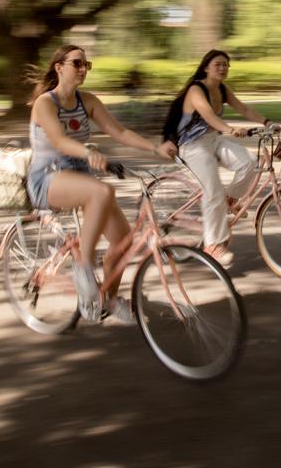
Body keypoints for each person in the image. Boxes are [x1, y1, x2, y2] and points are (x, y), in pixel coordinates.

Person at [26, 44, 177, 323]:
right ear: (59, 67)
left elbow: (119, 131)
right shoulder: (45, 103)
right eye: (77, 63)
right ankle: (83, 268)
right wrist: (90, 153)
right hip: (47, 177)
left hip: (80, 178)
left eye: (86, 64)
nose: (83, 69)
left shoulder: (88, 101)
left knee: (123, 242)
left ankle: (108, 299)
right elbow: (59, 141)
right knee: (102, 190)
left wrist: (155, 148)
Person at [162, 49, 273, 268]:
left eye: (226, 65)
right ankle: (212, 245)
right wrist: (231, 129)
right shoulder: (196, 89)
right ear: (206, 67)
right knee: (212, 191)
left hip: (213, 140)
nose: (223, 68)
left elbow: (243, 108)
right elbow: (208, 115)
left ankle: (229, 200)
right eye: (218, 64)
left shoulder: (222, 89)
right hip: (192, 147)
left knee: (250, 163)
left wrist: (267, 122)